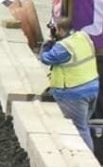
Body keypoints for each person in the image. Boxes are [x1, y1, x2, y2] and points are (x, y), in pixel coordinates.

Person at [39, 16, 98, 153]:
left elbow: (46, 58)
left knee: (78, 129)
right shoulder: (83, 36)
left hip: (74, 93)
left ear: (60, 30)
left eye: (54, 30)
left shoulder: (64, 47)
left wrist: (45, 46)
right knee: (83, 125)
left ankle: (85, 159)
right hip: (91, 88)